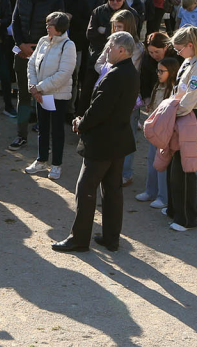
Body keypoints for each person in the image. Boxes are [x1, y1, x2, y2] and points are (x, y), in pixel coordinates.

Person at [53, 31, 139, 253]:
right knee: (112, 190)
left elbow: (99, 109)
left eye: (110, 47)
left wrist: (80, 123)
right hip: (118, 141)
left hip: (102, 143)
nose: (106, 50)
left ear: (122, 50)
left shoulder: (115, 75)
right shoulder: (130, 72)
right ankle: (111, 238)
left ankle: (79, 239)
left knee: (85, 189)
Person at [9, 0, 64, 150]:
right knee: (23, 95)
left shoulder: (55, 1)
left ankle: (45, 137)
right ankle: (21, 135)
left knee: (46, 97)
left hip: (46, 56)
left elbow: (58, 29)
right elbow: (15, 23)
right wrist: (21, 45)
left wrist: (40, 49)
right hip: (23, 54)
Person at [166, 26, 197, 232]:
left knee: (185, 166)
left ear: (190, 45)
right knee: (174, 163)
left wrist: (169, 114)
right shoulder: (189, 61)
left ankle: (186, 218)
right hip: (182, 114)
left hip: (192, 117)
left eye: (179, 49)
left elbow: (189, 99)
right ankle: (174, 209)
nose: (178, 53)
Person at [24, 11, 77, 181]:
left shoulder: (68, 45)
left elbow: (64, 74)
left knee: (57, 131)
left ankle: (56, 164)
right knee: (43, 128)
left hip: (57, 96)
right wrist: (33, 87)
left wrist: (39, 88)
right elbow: (32, 64)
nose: (47, 26)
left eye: (51, 24)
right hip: (41, 95)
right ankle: (41, 160)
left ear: (60, 27)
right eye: (47, 23)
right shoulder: (43, 41)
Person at [135, 49, 179, 209]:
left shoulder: (174, 91)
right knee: (151, 161)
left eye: (162, 71)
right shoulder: (158, 86)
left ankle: (163, 197)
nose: (158, 74)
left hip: (166, 134)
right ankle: (150, 191)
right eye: (158, 71)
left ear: (171, 72)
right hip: (155, 132)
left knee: (162, 164)